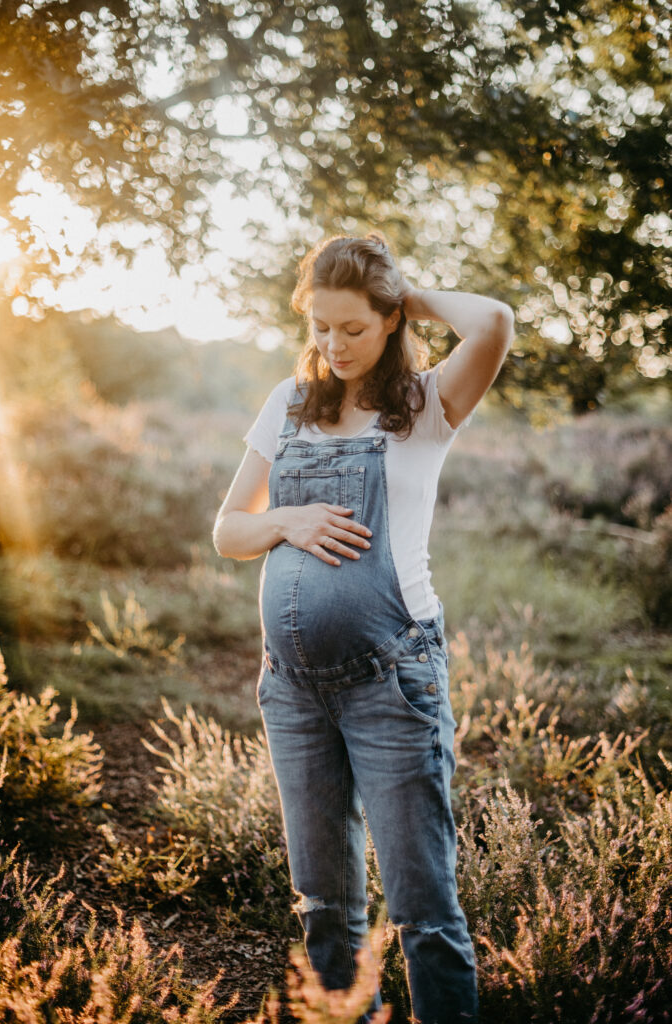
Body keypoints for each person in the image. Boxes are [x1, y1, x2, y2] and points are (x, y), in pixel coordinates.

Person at [213, 231, 514, 1024]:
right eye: (320, 325)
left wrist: (402, 293)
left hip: (393, 684)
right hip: (294, 694)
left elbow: (493, 321)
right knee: (324, 906)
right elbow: (227, 533)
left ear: (389, 321)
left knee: (425, 911)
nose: (334, 344)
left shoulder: (425, 403)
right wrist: (288, 518)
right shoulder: (287, 401)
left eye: (354, 326)